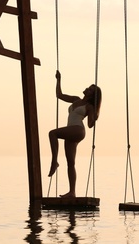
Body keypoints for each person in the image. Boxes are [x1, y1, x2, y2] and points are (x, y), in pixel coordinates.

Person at [48, 70, 102, 198]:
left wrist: (95, 115)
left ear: (92, 95)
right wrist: (58, 79)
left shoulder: (89, 106)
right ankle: (72, 192)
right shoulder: (76, 99)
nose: (87, 88)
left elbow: (89, 125)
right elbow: (59, 95)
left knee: (52, 133)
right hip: (71, 131)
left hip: (78, 130)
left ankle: (54, 161)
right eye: (89, 87)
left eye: (90, 89)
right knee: (71, 163)